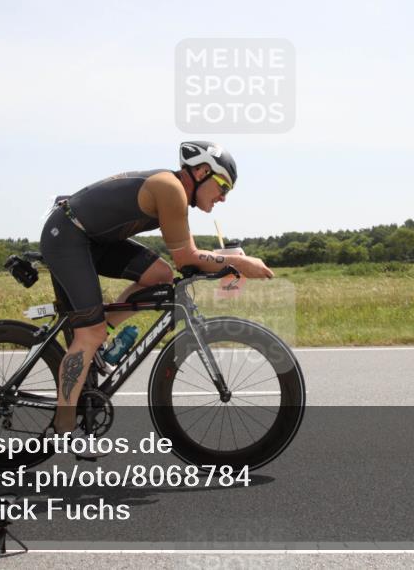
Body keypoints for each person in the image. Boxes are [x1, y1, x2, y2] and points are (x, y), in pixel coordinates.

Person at [40, 141, 274, 456]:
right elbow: (186, 257)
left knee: (159, 277)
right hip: (67, 236)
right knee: (87, 334)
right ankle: (63, 426)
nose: (223, 197)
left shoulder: (175, 189)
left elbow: (184, 262)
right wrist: (241, 264)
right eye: (222, 186)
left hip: (93, 238)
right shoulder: (171, 189)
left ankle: (103, 332)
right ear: (202, 172)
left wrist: (226, 260)